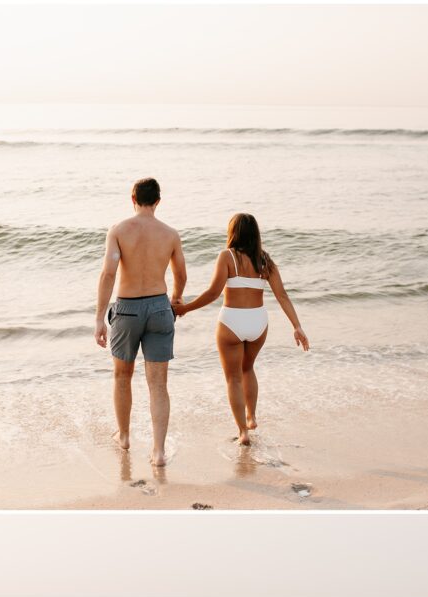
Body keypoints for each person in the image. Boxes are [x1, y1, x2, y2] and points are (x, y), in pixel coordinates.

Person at [173, 213, 309, 446]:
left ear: (232, 232)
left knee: (233, 378)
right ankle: (252, 416)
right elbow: (282, 295)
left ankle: (243, 432)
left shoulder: (227, 256)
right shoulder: (265, 260)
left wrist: (184, 309)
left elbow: (213, 293)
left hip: (232, 322)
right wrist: (297, 326)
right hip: (258, 322)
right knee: (248, 369)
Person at [95, 177, 187, 467]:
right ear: (158, 201)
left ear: (132, 198)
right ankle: (158, 452)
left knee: (122, 376)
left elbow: (108, 273)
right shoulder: (170, 234)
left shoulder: (119, 230)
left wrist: (99, 318)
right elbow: (181, 274)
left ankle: (124, 436)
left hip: (127, 311)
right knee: (158, 384)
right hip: (160, 308)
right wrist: (176, 298)